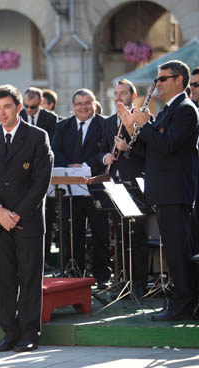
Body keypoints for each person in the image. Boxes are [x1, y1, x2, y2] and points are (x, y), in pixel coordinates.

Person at [118, 60, 199, 321]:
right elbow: (152, 149)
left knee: (178, 251)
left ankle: (183, 304)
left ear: (179, 80)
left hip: (175, 192)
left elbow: (167, 145)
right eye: (157, 79)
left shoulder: (186, 110)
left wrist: (144, 125)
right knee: (173, 251)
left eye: (162, 79)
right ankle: (180, 301)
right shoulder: (168, 110)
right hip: (165, 191)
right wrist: (133, 128)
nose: (157, 83)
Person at [0, 84, 53, 352]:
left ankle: (30, 333)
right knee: (4, 278)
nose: (2, 112)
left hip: (27, 220)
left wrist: (17, 213)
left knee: (30, 277)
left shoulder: (37, 136)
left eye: (7, 107)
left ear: (19, 108)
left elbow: (41, 182)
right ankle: (9, 332)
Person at [52, 89, 111, 287]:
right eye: (79, 103)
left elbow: (106, 152)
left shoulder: (105, 124)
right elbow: (55, 151)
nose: (83, 107)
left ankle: (102, 275)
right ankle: (75, 275)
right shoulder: (62, 126)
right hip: (70, 190)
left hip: (96, 187)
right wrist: (71, 169)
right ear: (73, 106)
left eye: (87, 103)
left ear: (94, 104)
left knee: (100, 233)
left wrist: (85, 166)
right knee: (71, 232)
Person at [101, 79, 148, 298]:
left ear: (133, 96)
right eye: (116, 93)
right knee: (119, 237)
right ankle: (123, 281)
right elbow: (102, 149)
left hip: (136, 184)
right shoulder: (108, 122)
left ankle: (139, 284)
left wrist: (127, 147)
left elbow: (149, 153)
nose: (118, 97)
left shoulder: (142, 118)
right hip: (115, 184)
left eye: (123, 93)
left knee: (137, 236)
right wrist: (105, 156)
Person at [20, 87, 60, 270]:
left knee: (46, 219)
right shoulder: (19, 116)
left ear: (41, 103)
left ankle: (45, 259)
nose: (29, 110)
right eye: (26, 106)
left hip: (43, 174)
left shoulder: (51, 119)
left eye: (33, 107)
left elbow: (54, 146)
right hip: (23, 175)